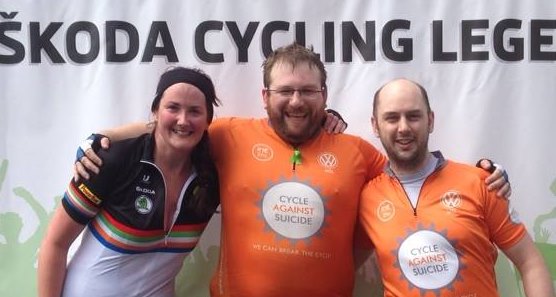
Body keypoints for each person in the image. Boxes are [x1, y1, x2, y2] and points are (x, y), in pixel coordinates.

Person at [73, 43, 510, 297]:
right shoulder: (228, 135)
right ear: (265, 96)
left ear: (324, 95)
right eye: (285, 91)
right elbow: (173, 128)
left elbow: (416, 173)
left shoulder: (357, 151)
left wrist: (483, 176)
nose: (297, 101)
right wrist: (103, 138)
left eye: (307, 91)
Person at [358, 78, 554, 297]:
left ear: (430, 120)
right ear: (375, 125)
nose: (403, 127)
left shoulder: (480, 182)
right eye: (392, 118)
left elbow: (530, 263)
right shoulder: (367, 198)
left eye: (413, 116)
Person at [37, 67, 222, 297]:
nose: (183, 120)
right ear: (155, 111)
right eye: (172, 107)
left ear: (208, 121)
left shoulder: (211, 177)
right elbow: (55, 244)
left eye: (195, 111)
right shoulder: (111, 160)